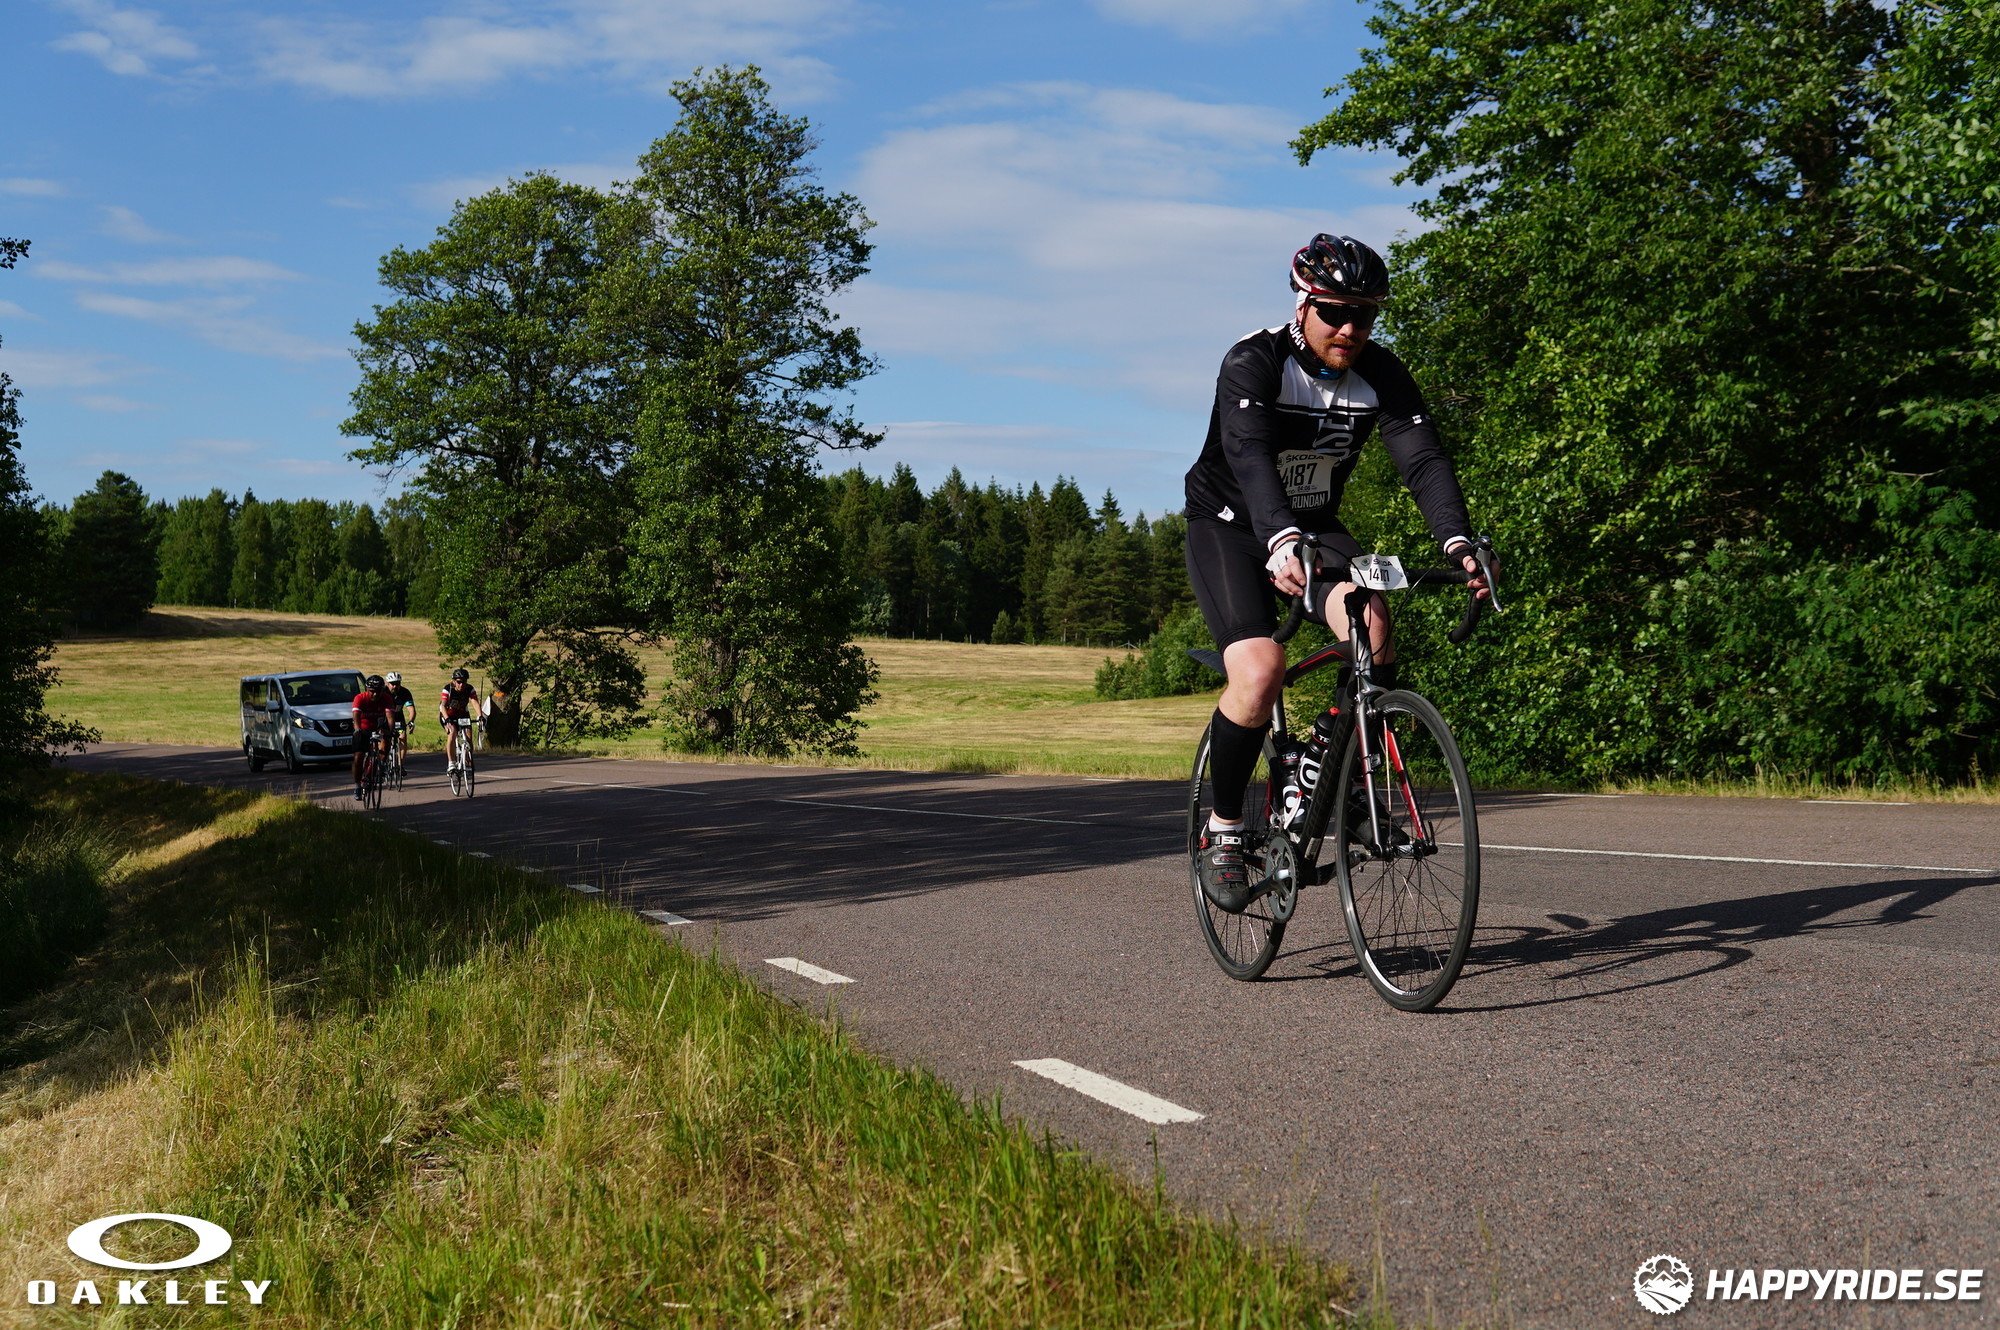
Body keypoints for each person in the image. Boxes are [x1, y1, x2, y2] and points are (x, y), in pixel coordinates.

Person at [1182, 233, 1493, 911]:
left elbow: (1423, 460)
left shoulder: (1381, 372)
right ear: (1302, 305)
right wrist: (1279, 537)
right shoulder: (1253, 362)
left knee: (1373, 623)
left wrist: (1458, 543)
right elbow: (1249, 455)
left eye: (1365, 315)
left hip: (1315, 524)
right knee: (1259, 670)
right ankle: (1224, 830)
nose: (1350, 329)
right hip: (1230, 526)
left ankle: (1337, 777)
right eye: (1334, 312)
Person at [350, 674, 396, 800]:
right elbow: (356, 716)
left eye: (378, 691)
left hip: (378, 727)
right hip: (363, 729)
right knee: (358, 757)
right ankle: (357, 785)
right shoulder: (360, 698)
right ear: (367, 690)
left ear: (382, 690)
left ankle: (381, 765)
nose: (375, 694)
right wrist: (357, 730)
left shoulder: (387, 698)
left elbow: (390, 717)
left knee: (386, 740)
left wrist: (391, 730)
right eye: (372, 691)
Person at [439, 668, 481, 770]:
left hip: (463, 714)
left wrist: (480, 716)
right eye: (459, 682)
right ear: (453, 681)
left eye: (464, 682)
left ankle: (467, 760)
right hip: (448, 715)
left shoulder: (469, 688)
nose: (461, 685)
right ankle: (451, 763)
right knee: (452, 732)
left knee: (469, 737)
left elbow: (474, 701)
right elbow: (442, 706)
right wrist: (447, 719)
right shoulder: (447, 689)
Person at [384, 671, 416, 767]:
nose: (395, 686)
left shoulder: (405, 692)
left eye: (397, 684)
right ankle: (383, 761)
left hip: (398, 718)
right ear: (387, 684)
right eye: (393, 684)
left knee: (403, 737)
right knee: (385, 739)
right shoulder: (383, 692)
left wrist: (411, 721)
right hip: (384, 718)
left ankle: (401, 764)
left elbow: (411, 710)